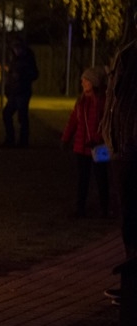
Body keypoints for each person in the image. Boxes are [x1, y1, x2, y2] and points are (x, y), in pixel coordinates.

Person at [61, 66, 110, 218]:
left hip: (99, 147)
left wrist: (99, 139)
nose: (82, 82)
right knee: (83, 180)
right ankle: (80, 208)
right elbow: (73, 121)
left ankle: (105, 209)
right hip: (81, 148)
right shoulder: (81, 101)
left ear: (93, 83)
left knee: (102, 178)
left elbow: (106, 124)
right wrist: (66, 139)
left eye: (86, 80)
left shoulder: (102, 102)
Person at [104, 38, 137, 260]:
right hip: (123, 144)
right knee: (128, 209)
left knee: (130, 208)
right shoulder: (127, 54)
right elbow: (114, 99)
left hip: (128, 146)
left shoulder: (128, 55)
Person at [1, 37, 39, 148]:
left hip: (22, 91)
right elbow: (11, 75)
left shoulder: (27, 59)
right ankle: (11, 139)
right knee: (7, 114)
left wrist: (22, 75)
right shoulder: (15, 59)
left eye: (17, 48)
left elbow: (34, 74)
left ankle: (22, 141)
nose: (16, 51)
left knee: (21, 117)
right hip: (14, 91)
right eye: (14, 48)